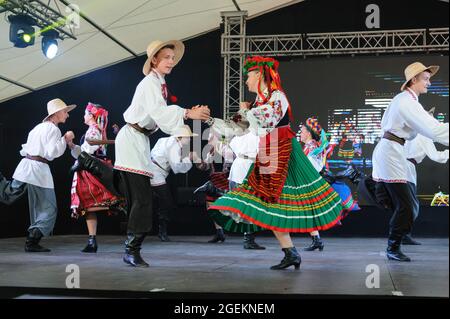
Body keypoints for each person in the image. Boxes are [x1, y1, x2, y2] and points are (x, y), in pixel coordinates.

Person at [77, 40, 210, 267]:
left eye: (172, 57)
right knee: (142, 198)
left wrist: (188, 118)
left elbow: (160, 117)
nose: (171, 61)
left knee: (124, 188)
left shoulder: (159, 84)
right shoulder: (150, 83)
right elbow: (159, 113)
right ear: (154, 61)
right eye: (166, 57)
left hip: (138, 139)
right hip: (132, 137)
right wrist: (187, 113)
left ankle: (87, 161)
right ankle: (131, 249)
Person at [208, 56, 343, 270]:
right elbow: (237, 126)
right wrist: (209, 120)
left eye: (249, 76)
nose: (246, 82)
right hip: (269, 152)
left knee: (275, 200)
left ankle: (292, 252)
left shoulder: (277, 97)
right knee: (271, 202)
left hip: (282, 151)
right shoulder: (258, 102)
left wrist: (246, 111)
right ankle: (290, 252)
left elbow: (266, 119)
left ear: (259, 74)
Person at [372, 62, 449, 262]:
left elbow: (428, 129)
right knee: (406, 206)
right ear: (413, 80)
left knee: (405, 205)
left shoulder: (406, 100)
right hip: (391, 153)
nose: (429, 83)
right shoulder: (406, 102)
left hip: (394, 152)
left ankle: (394, 243)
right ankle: (393, 247)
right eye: (425, 79)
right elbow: (433, 129)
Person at [0, 98, 75, 252]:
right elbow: (52, 153)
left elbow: (27, 148)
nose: (67, 115)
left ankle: (32, 240)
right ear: (57, 113)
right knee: (49, 208)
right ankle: (32, 242)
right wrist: (65, 139)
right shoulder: (54, 129)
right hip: (38, 170)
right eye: (65, 112)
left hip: (26, 166)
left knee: (9, 193)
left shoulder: (37, 128)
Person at [68, 102, 125, 253]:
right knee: (89, 206)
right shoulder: (94, 130)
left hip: (92, 168)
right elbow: (86, 150)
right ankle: (92, 241)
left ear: (92, 115)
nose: (84, 116)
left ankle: (125, 224)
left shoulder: (94, 130)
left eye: (85, 113)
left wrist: (80, 155)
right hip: (91, 166)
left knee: (94, 203)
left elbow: (91, 149)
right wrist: (73, 146)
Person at [299, 117, 360, 251]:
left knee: (309, 212)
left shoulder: (313, 148)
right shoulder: (310, 147)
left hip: (314, 184)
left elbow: (313, 167)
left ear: (309, 133)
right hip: (312, 183)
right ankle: (317, 240)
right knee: (309, 213)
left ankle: (316, 240)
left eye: (302, 131)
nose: (300, 133)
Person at [402, 107, 449, 245]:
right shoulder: (423, 135)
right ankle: (402, 235)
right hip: (406, 169)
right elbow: (436, 157)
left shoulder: (412, 131)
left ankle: (403, 235)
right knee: (410, 205)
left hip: (402, 167)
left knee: (406, 204)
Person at [149, 125, 197, 242]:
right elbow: (177, 168)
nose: (189, 140)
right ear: (181, 137)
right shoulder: (173, 146)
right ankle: (161, 232)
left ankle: (159, 230)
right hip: (155, 174)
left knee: (161, 201)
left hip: (154, 171)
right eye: (188, 137)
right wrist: (188, 158)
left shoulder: (164, 140)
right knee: (166, 202)